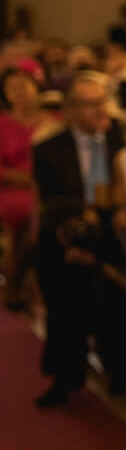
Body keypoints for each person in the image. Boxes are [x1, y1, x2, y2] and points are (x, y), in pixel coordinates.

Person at [31, 72, 126, 404]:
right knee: (63, 277)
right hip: (69, 233)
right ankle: (65, 375)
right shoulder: (50, 149)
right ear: (70, 109)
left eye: (101, 102)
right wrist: (85, 210)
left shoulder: (123, 141)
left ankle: (119, 368)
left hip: (116, 232)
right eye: (89, 105)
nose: (98, 111)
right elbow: (51, 203)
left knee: (112, 278)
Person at [0, 67, 41, 308]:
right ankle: (17, 276)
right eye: (12, 88)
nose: (20, 92)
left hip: (49, 188)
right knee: (29, 211)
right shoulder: (2, 124)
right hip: (13, 188)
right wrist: (29, 179)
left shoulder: (54, 121)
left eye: (24, 85)